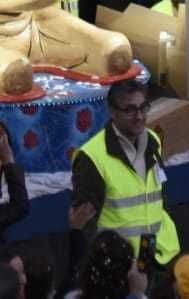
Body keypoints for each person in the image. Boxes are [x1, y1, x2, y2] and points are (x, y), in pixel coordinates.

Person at [70, 80, 180, 272]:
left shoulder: (153, 141)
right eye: (130, 110)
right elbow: (85, 224)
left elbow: (159, 195)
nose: (139, 116)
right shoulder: (92, 158)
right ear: (112, 112)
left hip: (159, 256)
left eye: (143, 108)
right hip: (119, 266)